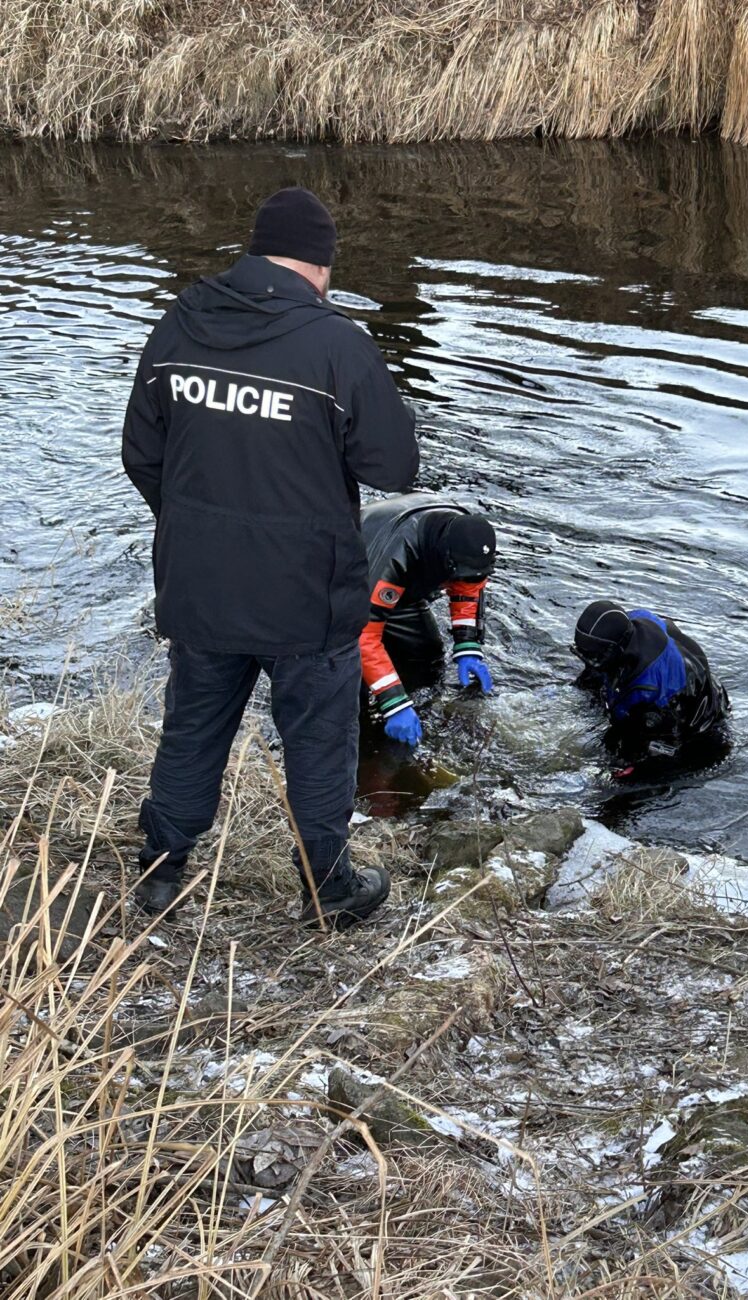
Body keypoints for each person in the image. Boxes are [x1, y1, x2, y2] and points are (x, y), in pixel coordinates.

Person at [122, 187, 419, 927]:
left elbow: (141, 454)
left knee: (193, 724)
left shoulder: (180, 324)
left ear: (254, 253)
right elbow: (394, 465)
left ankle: (161, 871)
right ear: (320, 267)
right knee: (318, 741)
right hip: (304, 594)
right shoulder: (335, 344)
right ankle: (328, 888)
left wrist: (196, 528)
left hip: (201, 584)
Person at [358, 493, 497, 746]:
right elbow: (363, 633)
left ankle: (417, 720)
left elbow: (468, 589)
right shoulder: (395, 553)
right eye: (459, 574)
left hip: (405, 591)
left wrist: (468, 646)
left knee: (427, 660)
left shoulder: (468, 540)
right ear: (444, 558)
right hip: (346, 584)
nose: (466, 579)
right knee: (348, 685)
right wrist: (393, 702)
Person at [573, 600, 729, 765]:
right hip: (690, 681)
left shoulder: (654, 692)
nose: (588, 662)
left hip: (692, 727)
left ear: (616, 650)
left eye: (594, 657)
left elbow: (664, 748)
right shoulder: (633, 621)